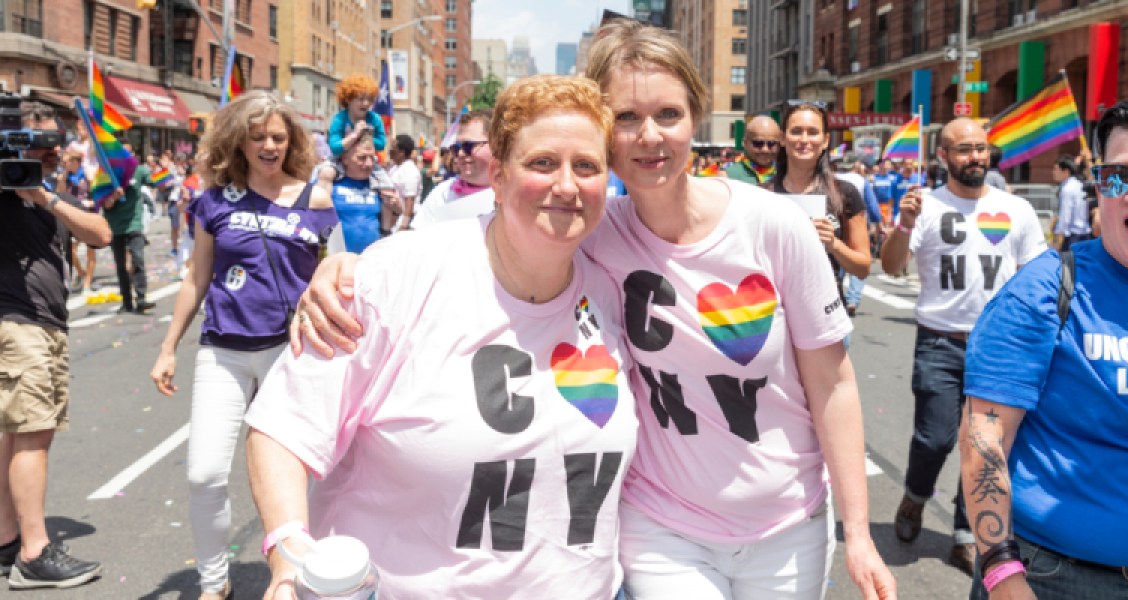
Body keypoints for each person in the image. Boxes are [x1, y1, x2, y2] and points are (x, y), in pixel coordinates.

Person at [293, 20, 896, 600]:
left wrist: (860, 532)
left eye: (668, 114)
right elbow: (497, 227)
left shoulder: (776, 227)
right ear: (604, 133)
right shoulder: (592, 231)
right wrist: (353, 268)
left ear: (696, 118)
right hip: (663, 524)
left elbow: (834, 383)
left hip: (789, 522)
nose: (650, 136)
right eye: (627, 119)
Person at [246, 74, 637, 600]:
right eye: (543, 163)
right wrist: (290, 557)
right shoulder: (398, 277)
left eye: (586, 166)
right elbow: (284, 428)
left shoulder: (614, 287)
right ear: (497, 175)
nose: (566, 185)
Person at [960, 97, 1128, 599]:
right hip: (1053, 580)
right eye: (1117, 176)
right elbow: (984, 441)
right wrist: (1003, 575)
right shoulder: (1045, 287)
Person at [148, 90, 337, 600]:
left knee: (300, 477)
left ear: (291, 140)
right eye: (258, 137)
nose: (269, 145)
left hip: (290, 352)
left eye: (278, 136)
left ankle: (299, 575)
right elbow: (195, 278)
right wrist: (168, 347)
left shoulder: (315, 200)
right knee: (205, 473)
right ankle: (215, 583)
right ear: (240, 142)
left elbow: (338, 278)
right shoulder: (213, 202)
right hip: (223, 350)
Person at [879, 116, 1047, 576]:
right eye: (963, 149)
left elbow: (1036, 277)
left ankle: (964, 532)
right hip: (939, 342)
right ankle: (915, 497)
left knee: (986, 448)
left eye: (980, 147)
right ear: (943, 157)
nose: (974, 156)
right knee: (934, 439)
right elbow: (892, 267)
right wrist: (902, 224)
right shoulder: (924, 206)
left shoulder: (1017, 210)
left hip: (1000, 348)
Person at [0, 101, 110, 589]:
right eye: (33, 143)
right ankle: (34, 552)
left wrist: (44, 196)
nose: (45, 152)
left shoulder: (51, 189)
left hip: (46, 322)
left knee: (15, 433)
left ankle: (7, 540)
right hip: (16, 321)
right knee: (32, 431)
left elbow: (101, 233)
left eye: (51, 143)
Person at [771, 101, 872, 303]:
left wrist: (834, 244)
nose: (804, 139)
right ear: (783, 138)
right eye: (796, 131)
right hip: (773, 311)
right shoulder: (762, 195)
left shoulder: (845, 193)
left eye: (813, 132)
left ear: (825, 141)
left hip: (825, 311)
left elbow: (863, 268)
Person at [410, 111, 496, 230]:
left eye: (468, 146)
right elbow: (416, 238)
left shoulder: (515, 192)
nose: (460, 154)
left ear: (496, 145)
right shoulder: (442, 194)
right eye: (456, 148)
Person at [316, 135, 399, 253]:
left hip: (371, 260)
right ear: (345, 158)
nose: (369, 163)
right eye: (362, 158)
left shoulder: (378, 185)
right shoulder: (327, 183)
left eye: (372, 157)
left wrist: (396, 211)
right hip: (337, 260)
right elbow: (314, 217)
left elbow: (387, 225)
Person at [317, 74, 391, 193]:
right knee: (325, 174)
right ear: (348, 99)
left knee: (388, 188)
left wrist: (367, 135)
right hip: (339, 160)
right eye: (361, 99)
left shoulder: (375, 119)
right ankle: (322, 209)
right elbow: (335, 148)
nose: (366, 103)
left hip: (367, 161)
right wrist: (355, 134)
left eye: (370, 99)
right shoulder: (339, 119)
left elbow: (381, 144)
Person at [104, 145, 156, 313]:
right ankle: (126, 302)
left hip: (134, 224)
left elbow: (158, 183)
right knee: (121, 265)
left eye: (129, 152)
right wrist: (115, 196)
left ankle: (141, 299)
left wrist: (160, 169)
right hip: (115, 226)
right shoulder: (107, 173)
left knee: (138, 258)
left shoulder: (139, 171)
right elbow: (105, 204)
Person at [836, 153, 883, 316]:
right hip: (859, 224)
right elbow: (871, 204)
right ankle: (853, 299)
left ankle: (839, 289)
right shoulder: (861, 181)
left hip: (837, 227)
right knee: (858, 258)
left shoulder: (833, 179)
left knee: (840, 260)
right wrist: (878, 223)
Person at [63, 151, 97, 293]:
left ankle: (87, 283)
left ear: (75, 162)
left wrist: (90, 182)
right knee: (70, 249)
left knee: (91, 251)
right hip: (73, 216)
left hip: (88, 214)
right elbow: (60, 193)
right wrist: (63, 176)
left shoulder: (86, 175)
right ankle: (81, 272)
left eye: (67, 162)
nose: (64, 164)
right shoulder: (66, 177)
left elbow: (96, 193)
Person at [725, 114, 782, 186]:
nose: (765, 149)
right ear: (745, 143)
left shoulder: (787, 174)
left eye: (771, 143)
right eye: (758, 143)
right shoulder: (728, 176)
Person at [1051, 154, 1092, 251]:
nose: (1053, 173)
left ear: (1066, 172)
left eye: (1056, 169)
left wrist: (1057, 242)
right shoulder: (1079, 184)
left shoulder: (1067, 189)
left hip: (1072, 237)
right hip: (1085, 234)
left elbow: (1065, 217)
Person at [387, 134, 422, 231]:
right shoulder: (394, 168)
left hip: (402, 223)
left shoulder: (410, 170)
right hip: (392, 220)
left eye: (393, 147)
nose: (390, 150)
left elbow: (410, 200)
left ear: (401, 152)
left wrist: (404, 226)